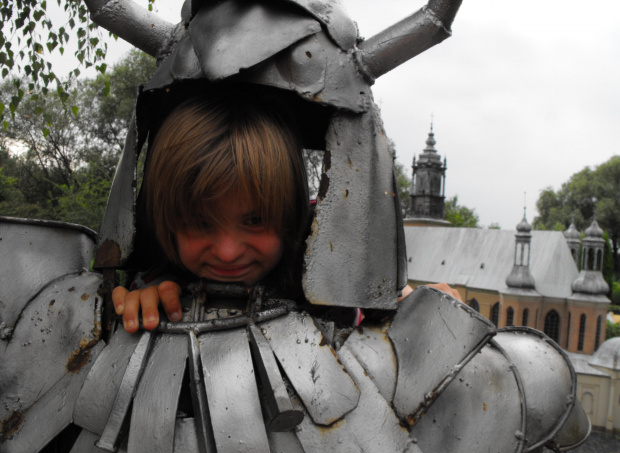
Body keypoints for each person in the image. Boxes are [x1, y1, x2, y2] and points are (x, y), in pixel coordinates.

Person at [111, 88, 460, 334]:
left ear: (291, 216)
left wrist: (418, 309)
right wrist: (145, 300)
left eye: (255, 220)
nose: (228, 251)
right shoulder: (161, 283)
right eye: (201, 224)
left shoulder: (337, 261)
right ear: (166, 221)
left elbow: (389, 304)